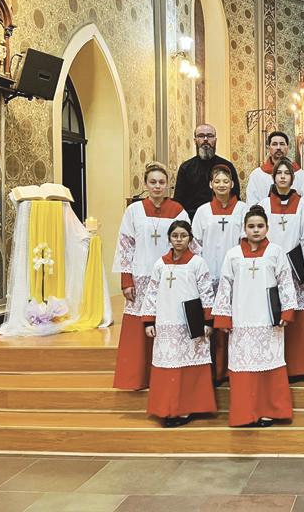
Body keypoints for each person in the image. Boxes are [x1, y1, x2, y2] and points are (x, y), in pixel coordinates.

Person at [212, 206, 298, 427]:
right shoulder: (233, 255)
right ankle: (246, 413)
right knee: (244, 365)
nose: (256, 230)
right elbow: (225, 287)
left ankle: (271, 410)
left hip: (269, 320)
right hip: (241, 319)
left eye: (260, 226)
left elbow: (286, 283)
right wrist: (223, 317)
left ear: (267, 228)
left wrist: (287, 312)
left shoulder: (276, 252)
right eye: (251, 226)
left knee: (269, 363)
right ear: (244, 228)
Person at [112, 162, 191, 391]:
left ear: (168, 185)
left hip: (170, 277)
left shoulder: (178, 211)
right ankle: (136, 378)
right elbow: (125, 246)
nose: (157, 186)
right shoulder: (134, 211)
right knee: (139, 328)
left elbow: (188, 243)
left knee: (166, 325)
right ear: (146, 184)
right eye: (153, 182)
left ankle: (163, 375)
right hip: (141, 275)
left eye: (162, 182)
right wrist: (126, 280)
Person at [141, 220, 217, 427]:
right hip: (166, 322)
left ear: (190, 239)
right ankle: (167, 408)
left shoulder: (197, 263)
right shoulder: (160, 264)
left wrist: (208, 320)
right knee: (169, 366)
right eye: (175, 236)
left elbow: (207, 292)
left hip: (190, 323)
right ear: (169, 239)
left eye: (183, 236)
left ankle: (186, 408)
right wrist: (149, 321)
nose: (179, 240)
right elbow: (151, 294)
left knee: (188, 366)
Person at [259, 158, 304, 382]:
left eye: (287, 173)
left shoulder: (303, 205)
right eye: (279, 173)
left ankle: (301, 366)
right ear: (273, 177)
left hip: (297, 269)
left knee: (299, 314)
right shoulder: (264, 206)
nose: (283, 176)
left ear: (292, 179)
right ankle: (274, 363)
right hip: (271, 268)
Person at [191, 165, 248, 386]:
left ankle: (231, 369)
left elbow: (247, 239)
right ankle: (212, 370)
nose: (222, 185)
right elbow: (195, 244)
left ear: (232, 184)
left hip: (235, 275)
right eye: (217, 181)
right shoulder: (203, 211)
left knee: (232, 322)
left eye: (226, 181)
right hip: (209, 274)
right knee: (210, 323)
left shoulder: (243, 209)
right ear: (211, 185)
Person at [173, 124, 241, 219]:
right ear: (195, 140)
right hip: (192, 218)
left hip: (222, 217)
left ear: (215, 140)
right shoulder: (186, 168)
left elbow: (235, 196)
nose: (205, 139)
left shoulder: (227, 166)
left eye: (209, 136)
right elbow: (178, 202)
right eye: (201, 136)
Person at [246, 132, 304, 206]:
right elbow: (251, 203)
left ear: (287, 148)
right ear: (269, 148)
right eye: (274, 144)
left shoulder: (299, 174)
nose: (278, 147)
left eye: (282, 144)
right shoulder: (257, 175)